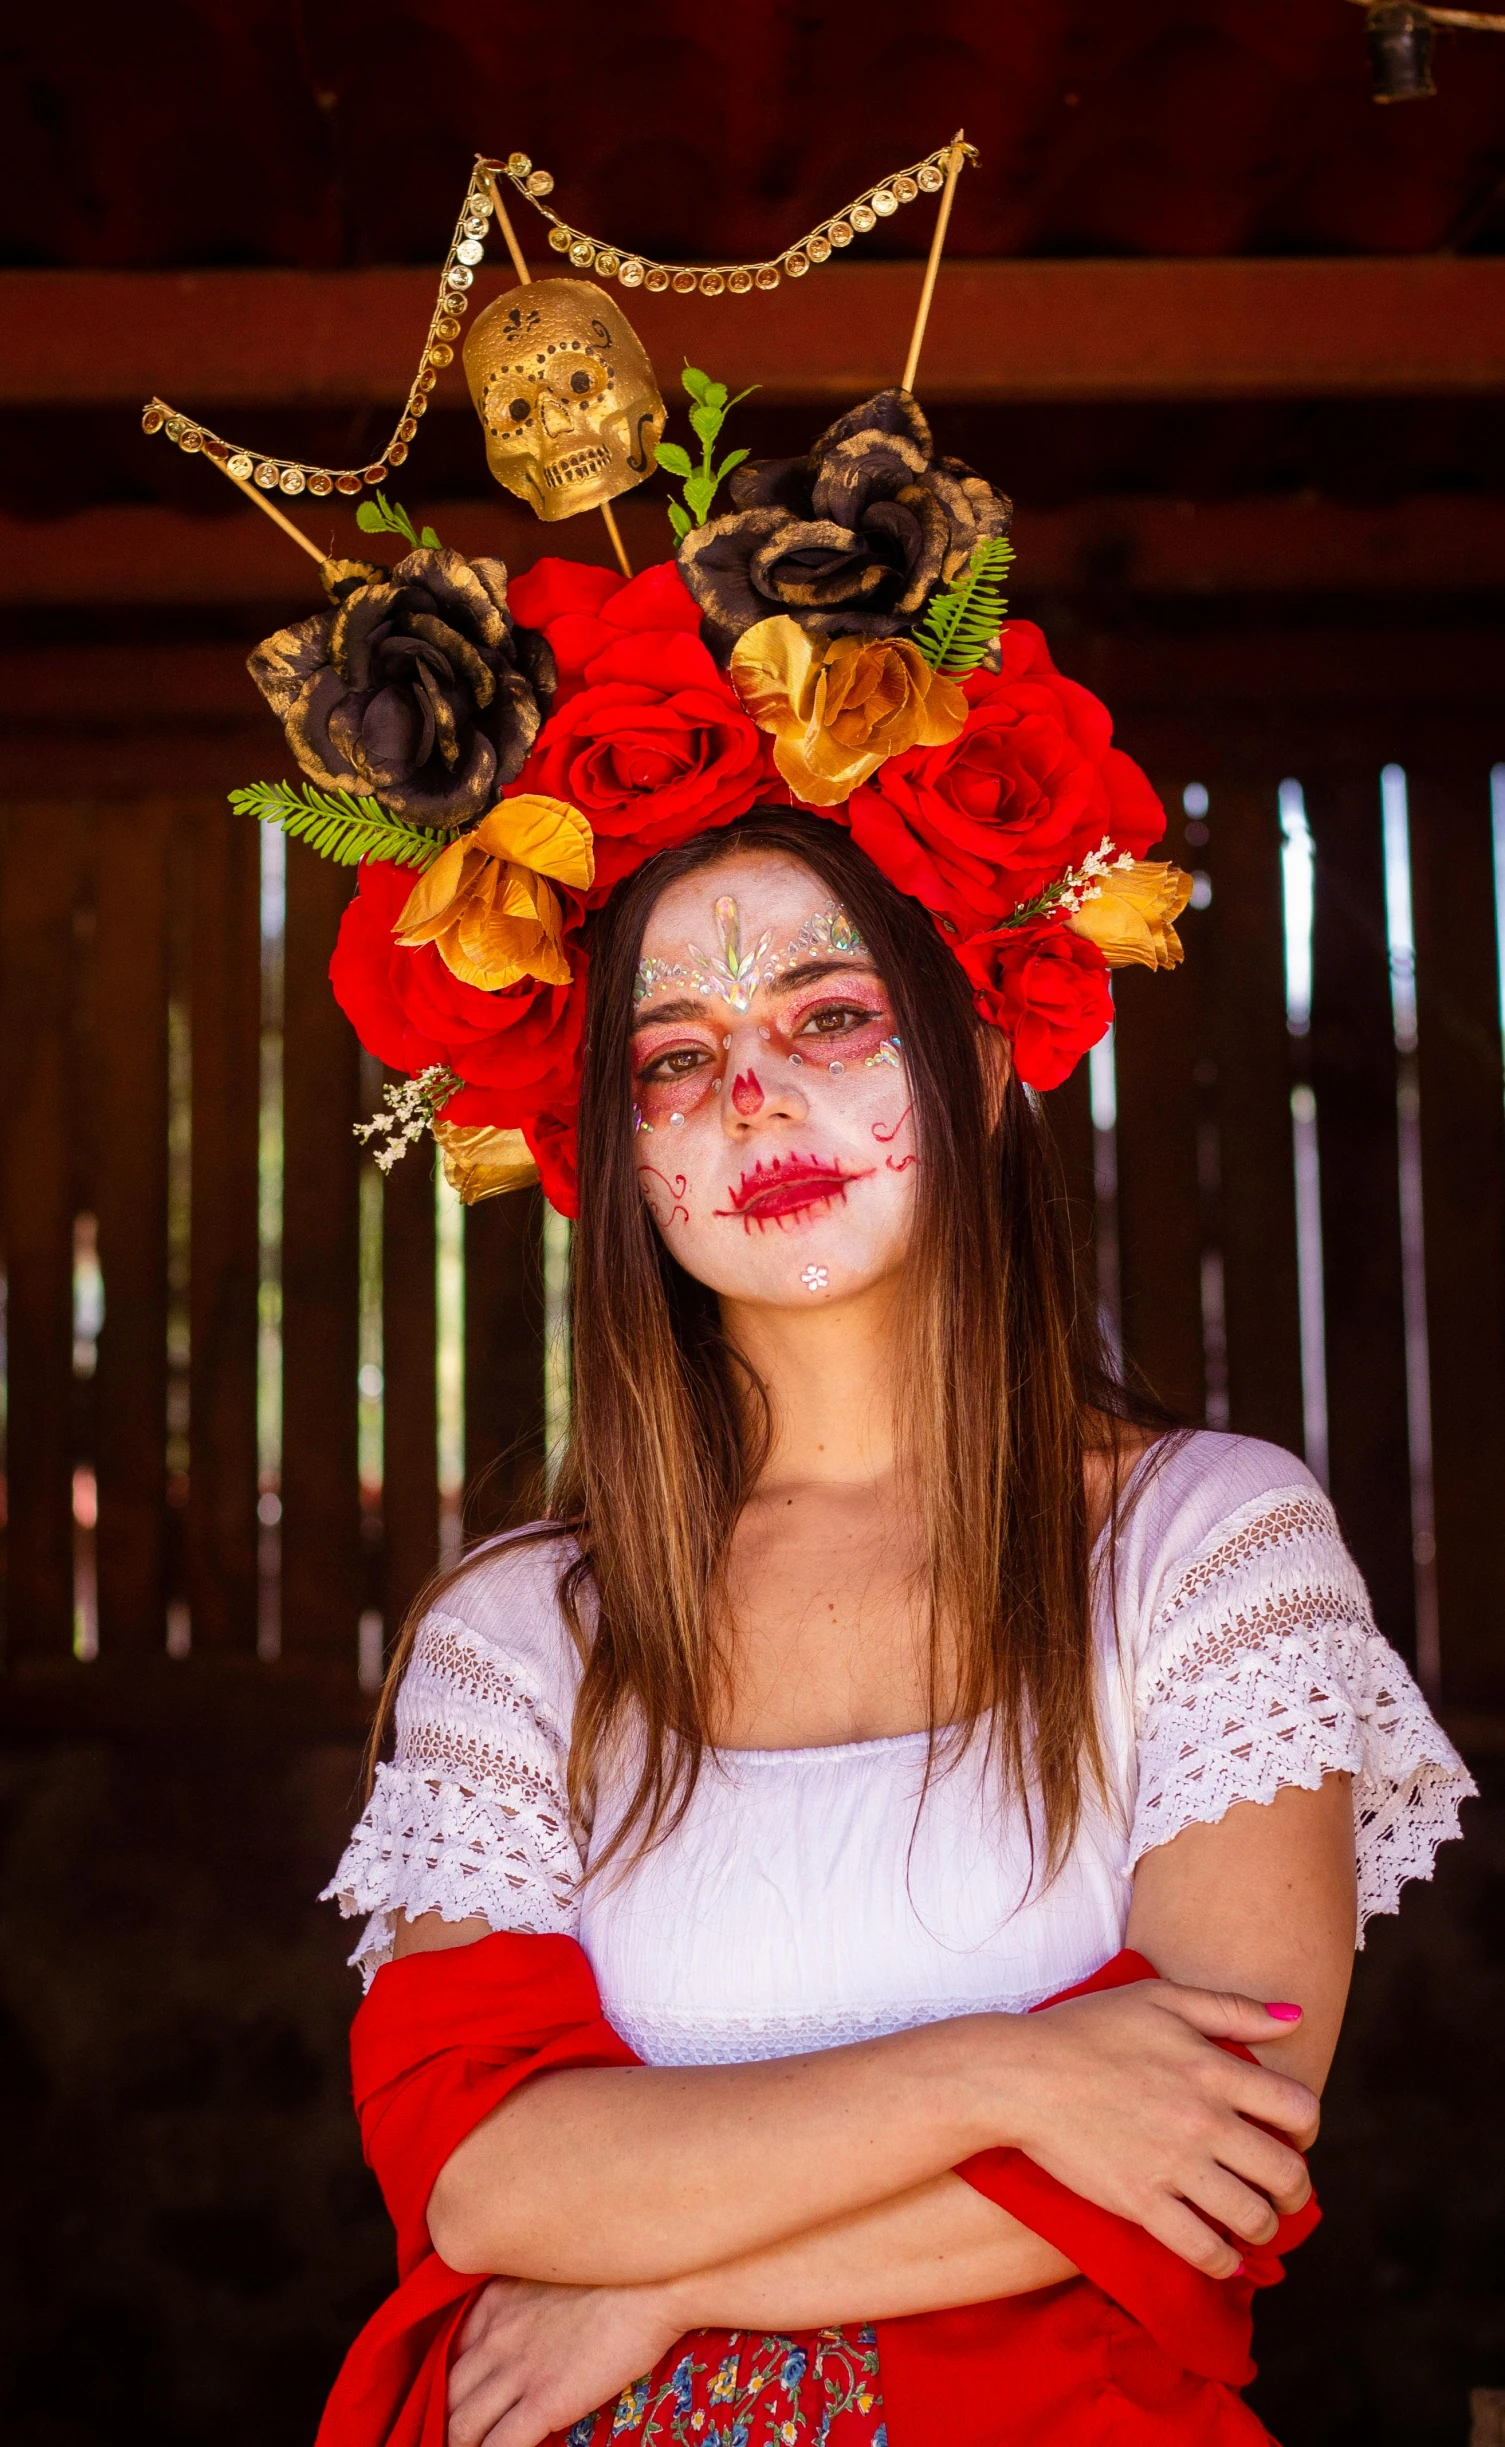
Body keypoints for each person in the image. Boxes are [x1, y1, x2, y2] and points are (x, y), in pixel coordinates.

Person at [322, 798, 1472, 2447]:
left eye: (831, 1015)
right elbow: (488, 2180)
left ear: (983, 1068)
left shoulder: (1207, 1549)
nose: (749, 1091)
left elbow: (1212, 2156)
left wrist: (652, 2276)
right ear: (622, 1150)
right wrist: (1005, 2073)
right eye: (672, 1055)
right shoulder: (523, 1632)